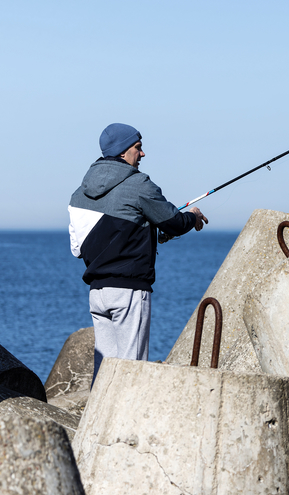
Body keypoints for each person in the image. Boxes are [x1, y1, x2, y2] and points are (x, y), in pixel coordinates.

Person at [68, 123, 207, 384]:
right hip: (129, 291)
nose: (142, 154)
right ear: (123, 152)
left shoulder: (78, 195)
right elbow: (173, 222)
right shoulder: (139, 184)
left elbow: (77, 249)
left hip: (97, 294)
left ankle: (99, 423)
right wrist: (192, 216)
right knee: (132, 372)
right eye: (138, 148)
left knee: (104, 374)